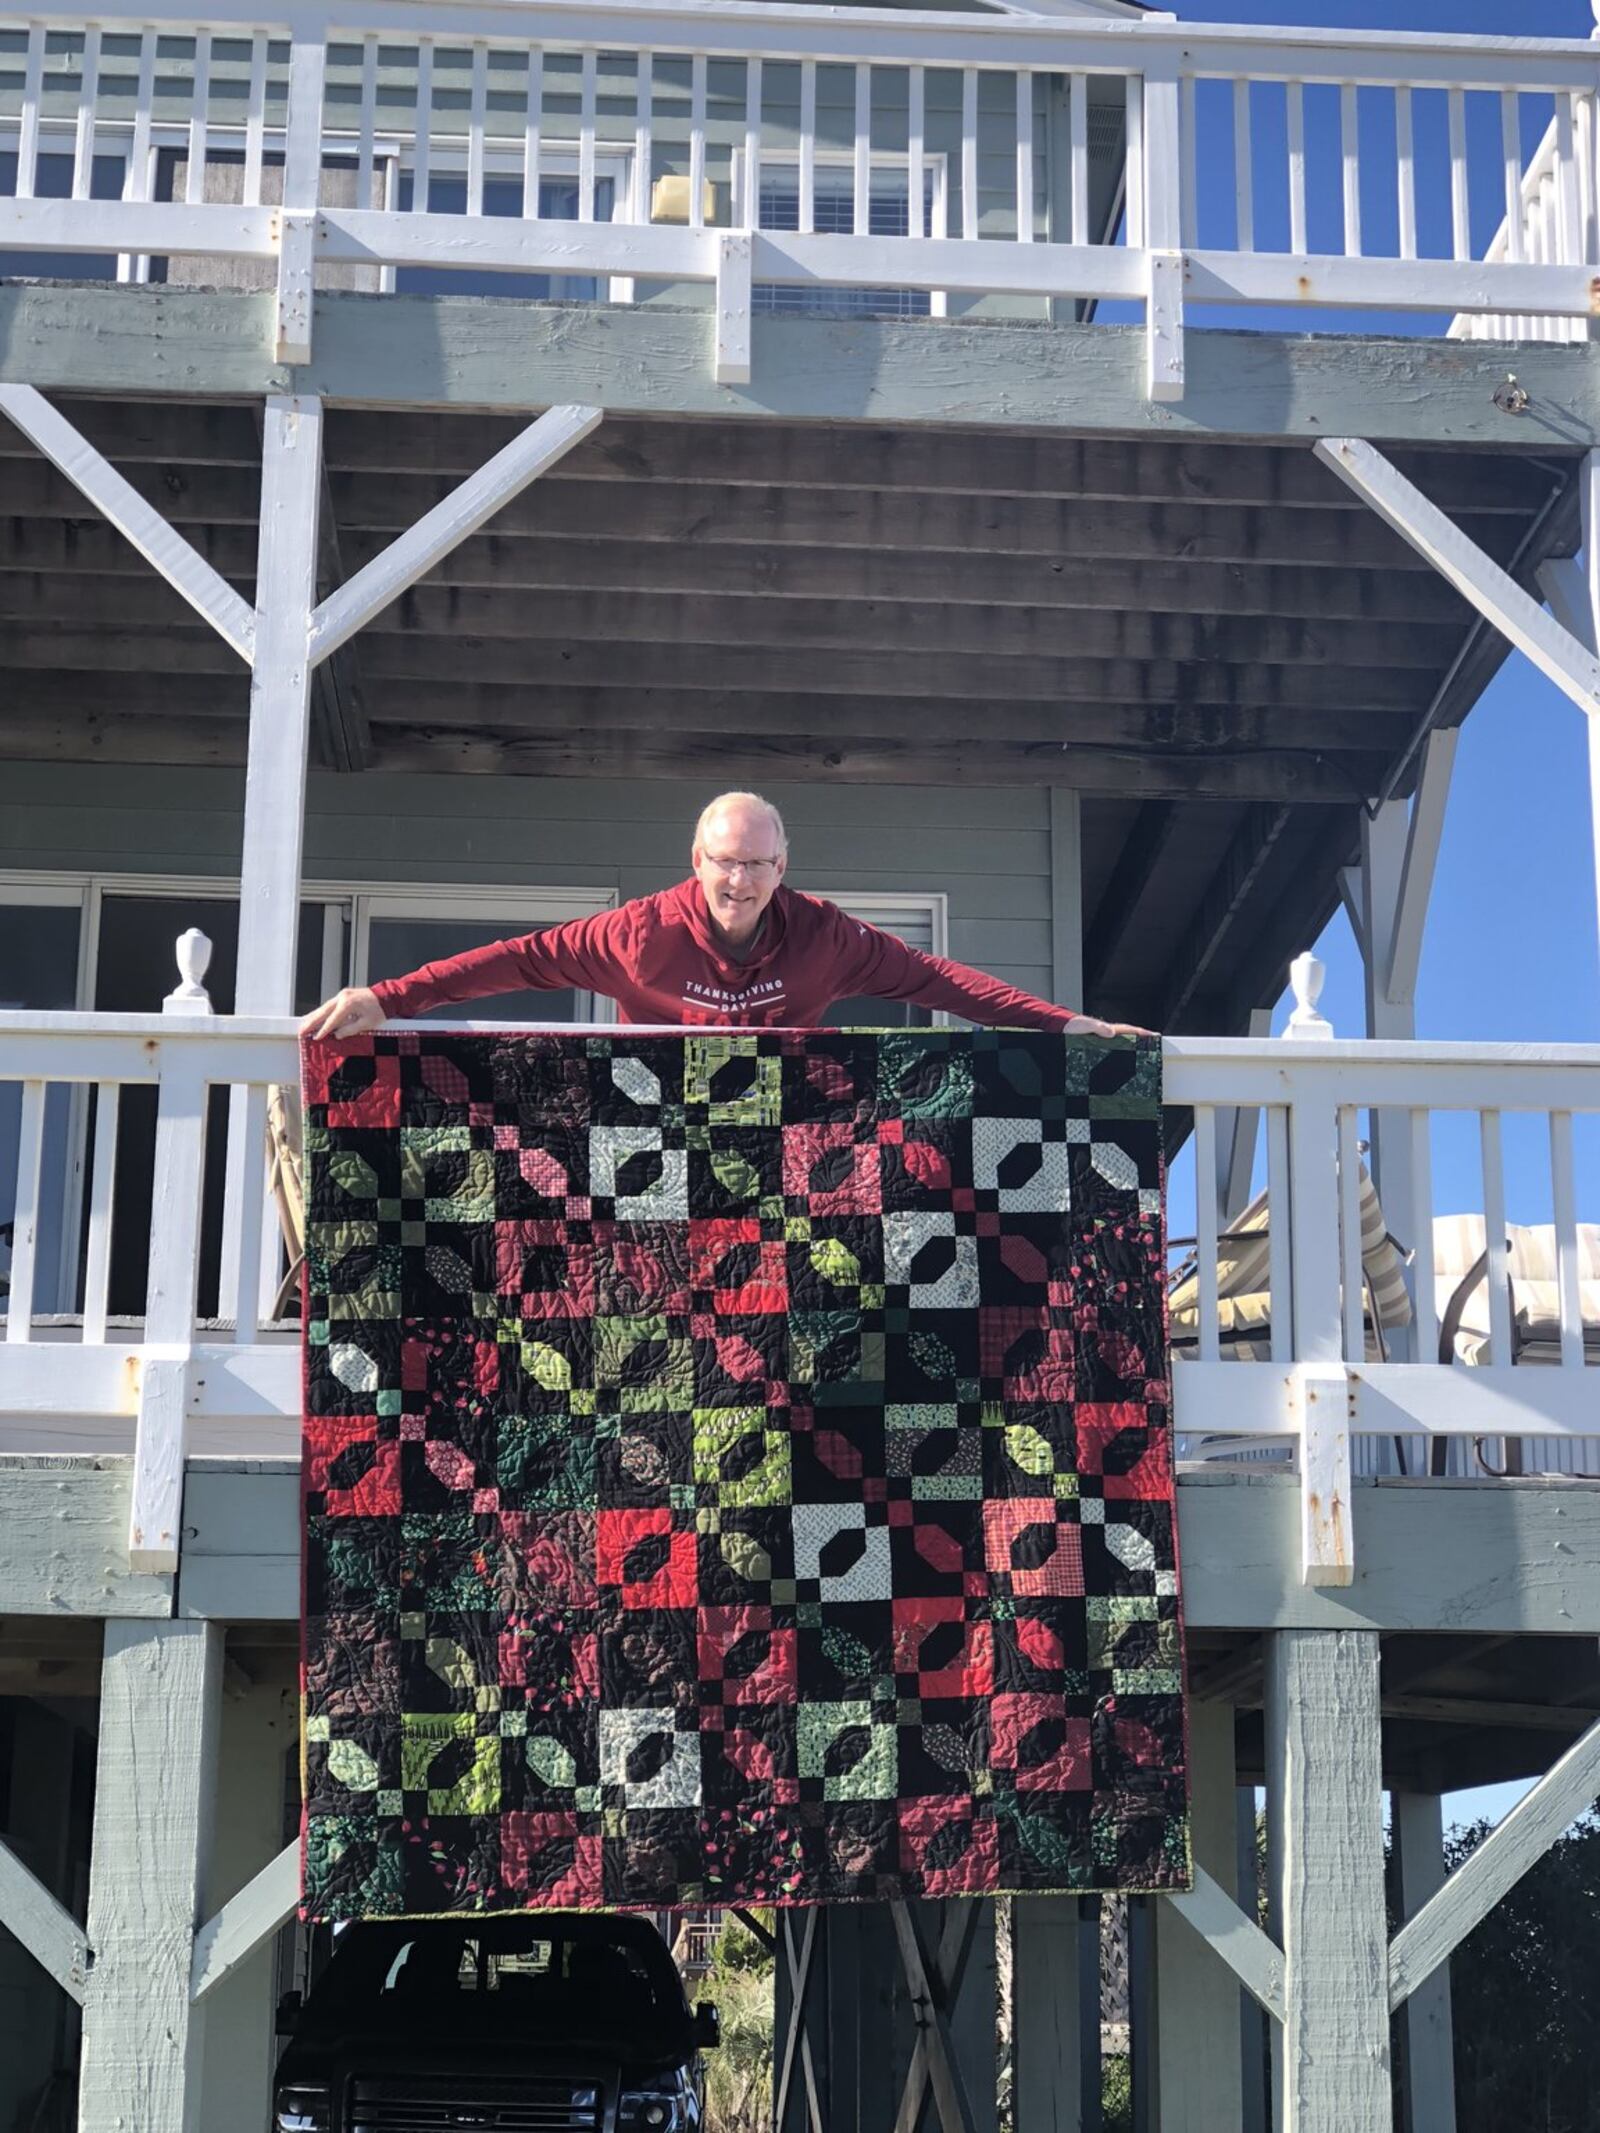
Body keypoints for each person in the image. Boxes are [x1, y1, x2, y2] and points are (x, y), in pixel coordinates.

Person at [300, 791, 1149, 1040]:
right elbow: (514, 961)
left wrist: (1064, 1024)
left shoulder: (827, 937)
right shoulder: (635, 936)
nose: (737, 880)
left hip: (786, 1140)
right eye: (724, 862)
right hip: (656, 1134)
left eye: (755, 864)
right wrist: (389, 998)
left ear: (782, 868)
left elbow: (939, 981)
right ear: (696, 863)